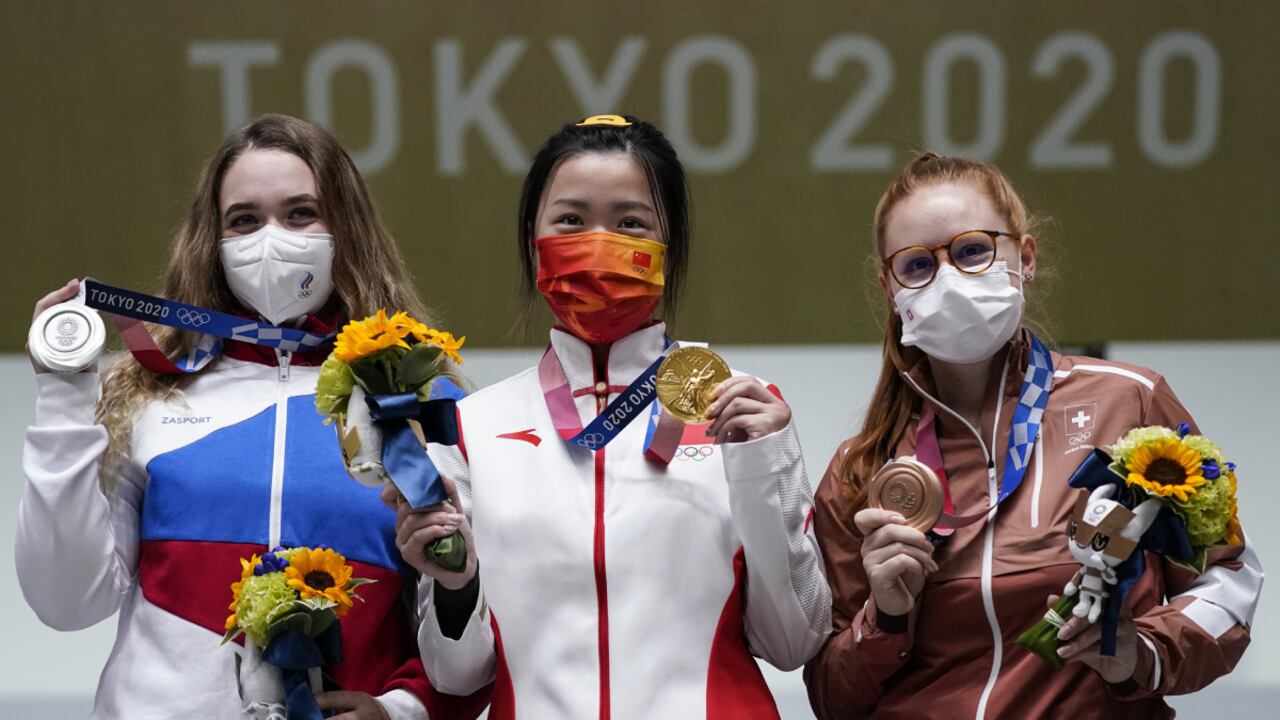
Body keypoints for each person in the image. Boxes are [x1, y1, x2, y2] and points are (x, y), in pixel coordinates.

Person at [17, 114, 482, 720]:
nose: (272, 238)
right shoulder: (149, 390)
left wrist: (399, 711)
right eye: (244, 220)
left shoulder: (416, 396)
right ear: (213, 240)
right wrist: (62, 395)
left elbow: (466, 647)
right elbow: (65, 600)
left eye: (300, 214)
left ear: (347, 227)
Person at [385, 114, 831, 719]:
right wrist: (454, 581)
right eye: (571, 221)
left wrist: (763, 462)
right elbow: (459, 675)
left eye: (630, 223)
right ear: (532, 240)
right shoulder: (474, 429)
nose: (599, 244)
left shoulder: (742, 411)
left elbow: (794, 641)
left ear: (666, 246)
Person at [803, 152, 1263, 718]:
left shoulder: (1129, 403)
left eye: (973, 251)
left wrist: (1140, 654)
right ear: (891, 290)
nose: (948, 277)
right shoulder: (865, 469)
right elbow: (829, 696)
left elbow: (1231, 580)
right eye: (918, 265)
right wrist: (887, 616)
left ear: (1024, 257)